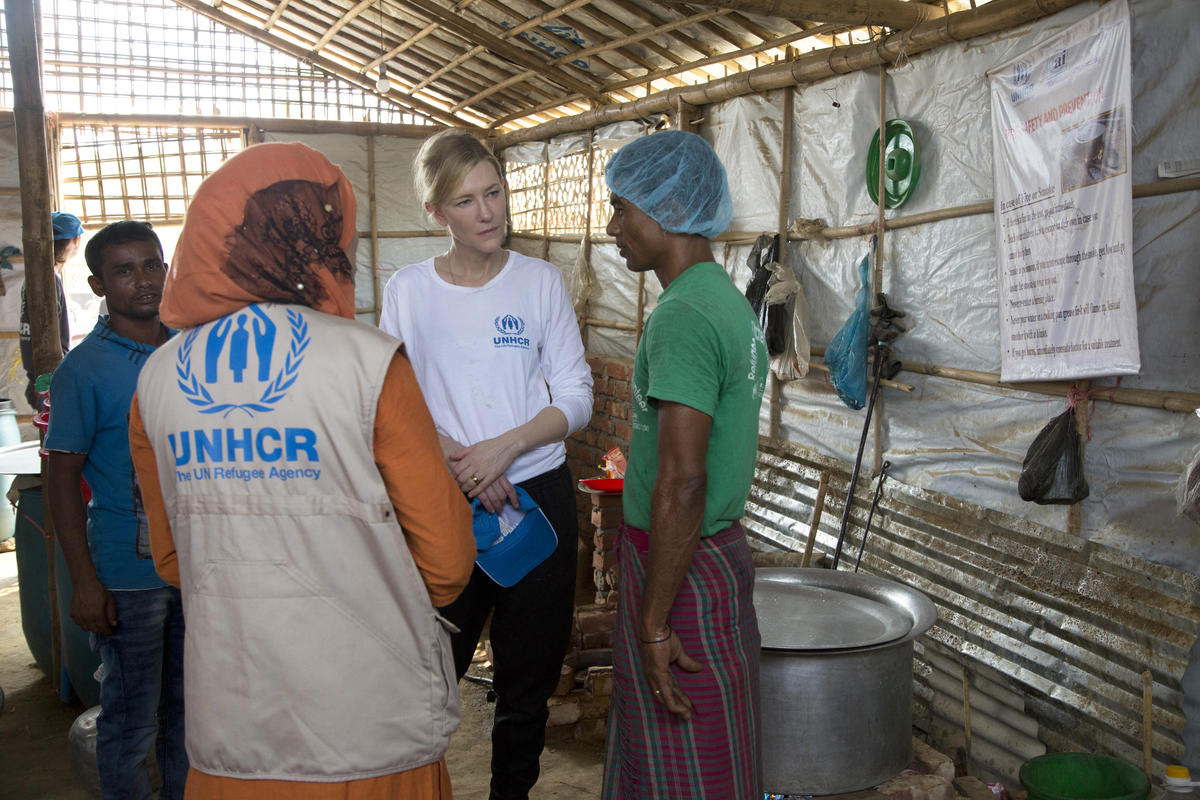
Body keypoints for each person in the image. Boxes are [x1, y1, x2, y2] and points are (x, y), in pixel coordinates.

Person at [128, 141, 476, 799]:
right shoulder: (370, 365)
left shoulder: (157, 381)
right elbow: (449, 564)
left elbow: (172, 560)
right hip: (369, 729)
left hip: (233, 728)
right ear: (326, 237)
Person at [379, 129, 593, 800]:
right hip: (444, 502)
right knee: (430, 675)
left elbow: (576, 396)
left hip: (537, 503)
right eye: (466, 201)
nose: (488, 213)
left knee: (526, 685)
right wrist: (466, 463)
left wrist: (505, 448)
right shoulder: (409, 291)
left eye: (494, 192)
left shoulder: (539, 282)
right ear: (436, 213)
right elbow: (393, 399)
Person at [599, 130, 767, 800]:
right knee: (714, 752)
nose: (613, 228)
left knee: (681, 757)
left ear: (663, 210)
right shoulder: (723, 301)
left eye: (621, 208)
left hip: (679, 567)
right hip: (711, 559)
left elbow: (683, 479)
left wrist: (655, 622)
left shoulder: (683, 317)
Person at [44, 220, 187, 800]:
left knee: (189, 715)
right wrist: (84, 581)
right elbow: (60, 479)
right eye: (124, 271)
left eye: (153, 264)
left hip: (195, 566)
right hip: (128, 576)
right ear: (97, 284)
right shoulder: (84, 370)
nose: (144, 281)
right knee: (130, 721)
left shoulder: (191, 350)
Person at [21, 210, 82, 408]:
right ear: (75, 240)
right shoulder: (47, 281)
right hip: (50, 379)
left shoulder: (37, 277)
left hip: (41, 377)